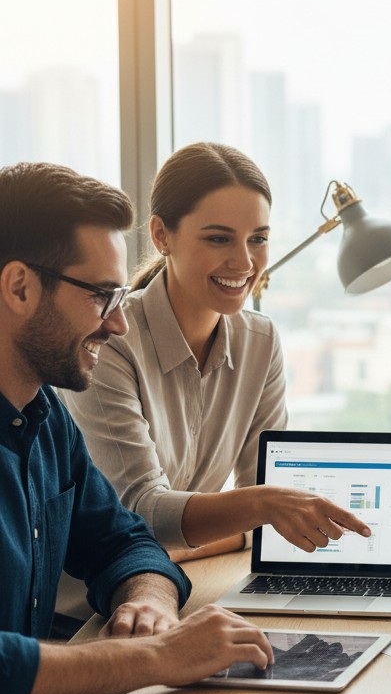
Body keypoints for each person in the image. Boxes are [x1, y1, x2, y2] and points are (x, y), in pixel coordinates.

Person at [0, 161, 275, 694]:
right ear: (20, 287)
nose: (118, 324)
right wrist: (154, 657)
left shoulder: (46, 418)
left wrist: (148, 601)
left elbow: (124, 542)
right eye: (102, 296)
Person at [63, 142, 370, 563]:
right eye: (219, 239)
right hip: (97, 596)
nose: (244, 262)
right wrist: (261, 510)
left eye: (258, 239)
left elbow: (269, 505)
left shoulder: (260, 341)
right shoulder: (109, 340)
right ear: (161, 235)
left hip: (191, 575)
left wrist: (255, 516)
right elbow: (138, 512)